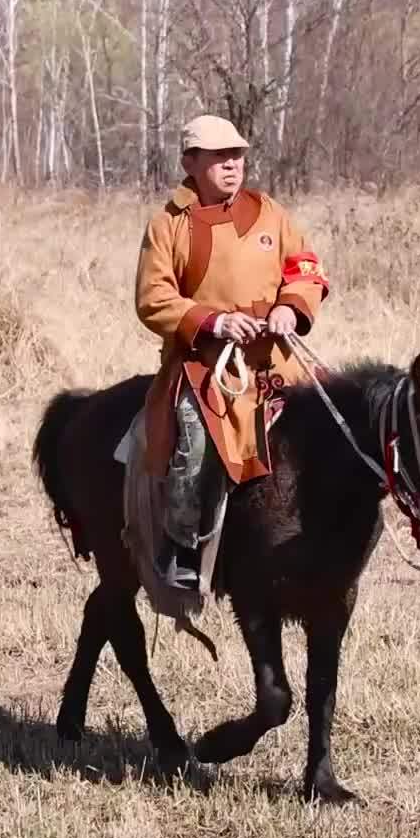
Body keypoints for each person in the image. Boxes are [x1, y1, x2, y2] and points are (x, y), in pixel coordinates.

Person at [133, 114, 332, 591]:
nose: (232, 166)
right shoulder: (167, 226)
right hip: (205, 368)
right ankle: (182, 546)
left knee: (338, 424)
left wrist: (291, 306)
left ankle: (327, 541)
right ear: (190, 162)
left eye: (237, 156)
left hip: (278, 362)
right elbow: (153, 298)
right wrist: (216, 322)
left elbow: (305, 269)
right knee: (196, 443)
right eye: (219, 157)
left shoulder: (270, 213)